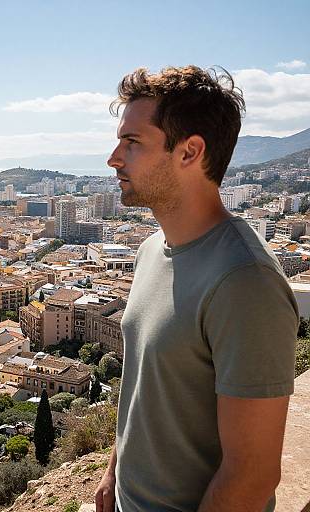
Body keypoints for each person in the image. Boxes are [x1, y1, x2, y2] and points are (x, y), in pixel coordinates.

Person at [95, 66, 298, 512]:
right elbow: (148, 382)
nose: (113, 158)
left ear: (189, 152)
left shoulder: (245, 282)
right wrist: (115, 471)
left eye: (132, 143)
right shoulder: (152, 249)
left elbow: (252, 474)